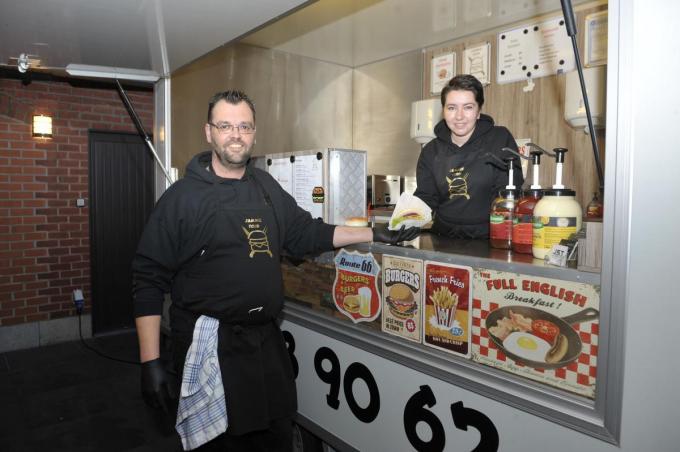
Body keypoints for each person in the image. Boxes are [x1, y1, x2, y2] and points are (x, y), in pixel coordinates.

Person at [131, 90, 419, 451]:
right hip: (211, 346)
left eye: (244, 126)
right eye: (225, 126)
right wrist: (150, 361)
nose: (236, 134)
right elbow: (147, 278)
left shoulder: (265, 187)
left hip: (265, 343)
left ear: (253, 133)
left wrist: (371, 233)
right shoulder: (182, 199)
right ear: (209, 132)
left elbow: (306, 233)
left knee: (277, 436)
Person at [414, 74, 524, 239]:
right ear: (443, 111)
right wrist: (402, 222)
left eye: (468, 107)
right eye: (451, 107)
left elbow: (508, 191)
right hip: (443, 238)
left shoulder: (500, 138)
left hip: (491, 237)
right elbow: (426, 197)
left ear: (479, 111)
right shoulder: (431, 151)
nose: (459, 116)